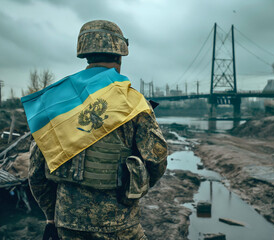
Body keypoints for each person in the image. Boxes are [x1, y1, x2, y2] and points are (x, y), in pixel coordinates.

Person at [22, 20, 168, 240]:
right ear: (120, 56)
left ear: (85, 55)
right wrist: (132, 192)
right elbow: (157, 160)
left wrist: (52, 217)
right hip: (119, 223)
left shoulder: (56, 103)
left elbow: (36, 171)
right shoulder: (134, 102)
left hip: (67, 222)